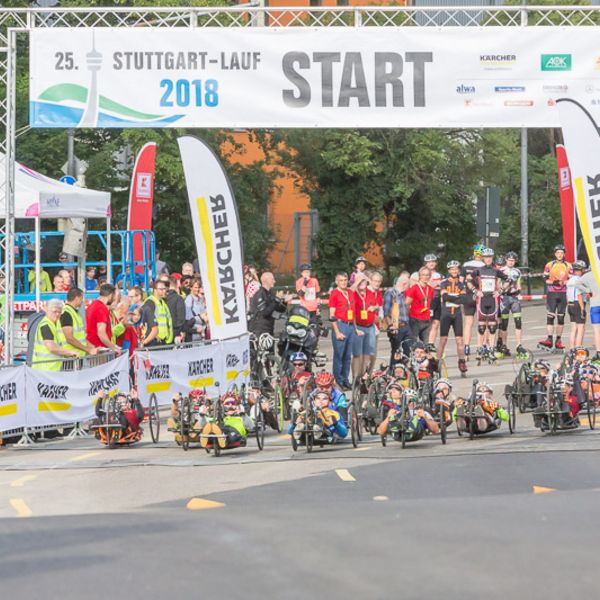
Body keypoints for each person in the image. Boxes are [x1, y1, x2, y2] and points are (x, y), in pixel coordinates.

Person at [467, 247, 503, 358]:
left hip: (493, 299)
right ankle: (479, 348)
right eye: (486, 257)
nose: (488, 259)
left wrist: (500, 291)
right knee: (481, 326)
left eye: (490, 257)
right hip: (482, 299)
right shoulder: (479, 270)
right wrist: (475, 291)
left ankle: (491, 349)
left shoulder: (496, 271)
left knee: (492, 326)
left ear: (492, 258)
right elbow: (468, 280)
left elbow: (508, 280)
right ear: (483, 258)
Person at [438, 260, 467, 375]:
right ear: (449, 270)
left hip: (457, 314)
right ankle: (437, 362)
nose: (454, 271)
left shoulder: (461, 284)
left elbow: (464, 299)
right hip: (446, 313)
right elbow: (444, 297)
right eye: (452, 269)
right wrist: (457, 297)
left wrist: (453, 297)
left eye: (456, 269)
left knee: (459, 340)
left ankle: (462, 361)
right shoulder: (444, 282)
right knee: (443, 340)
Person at [31, 299, 79, 370]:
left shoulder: (52, 324)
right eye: (54, 311)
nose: (57, 314)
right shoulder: (46, 325)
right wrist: (69, 352)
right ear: (47, 310)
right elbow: (52, 348)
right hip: (45, 370)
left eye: (59, 312)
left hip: (50, 369)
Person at [540, 244, 572, 351]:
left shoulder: (569, 265)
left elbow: (572, 280)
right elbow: (545, 279)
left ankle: (558, 340)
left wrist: (563, 282)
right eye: (558, 253)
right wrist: (554, 282)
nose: (559, 255)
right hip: (552, 293)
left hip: (563, 293)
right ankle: (549, 339)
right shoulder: (549, 265)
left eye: (561, 253)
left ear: (564, 254)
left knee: (561, 317)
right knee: (550, 316)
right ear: (555, 254)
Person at [329, 272, 356, 390]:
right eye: (341, 280)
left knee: (347, 356)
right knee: (339, 355)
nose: (344, 282)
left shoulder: (350, 292)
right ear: (337, 282)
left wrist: (355, 328)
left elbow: (353, 311)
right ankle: (338, 380)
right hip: (340, 324)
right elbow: (332, 315)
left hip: (350, 325)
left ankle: (345, 379)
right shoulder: (334, 294)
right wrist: (337, 332)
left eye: (345, 280)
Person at [351, 272, 381, 381]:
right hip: (359, 326)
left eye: (364, 281)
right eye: (360, 281)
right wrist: (358, 281)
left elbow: (377, 305)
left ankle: (363, 375)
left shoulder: (370, 292)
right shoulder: (353, 293)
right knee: (357, 354)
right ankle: (355, 377)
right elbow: (351, 289)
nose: (362, 283)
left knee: (367, 354)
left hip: (370, 326)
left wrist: (374, 307)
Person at [383, 272, 414, 365]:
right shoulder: (390, 292)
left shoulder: (401, 295)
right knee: (396, 351)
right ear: (404, 284)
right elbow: (386, 312)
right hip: (396, 326)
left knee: (408, 350)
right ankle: (393, 372)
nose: (409, 287)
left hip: (405, 326)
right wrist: (391, 326)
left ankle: (404, 372)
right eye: (408, 285)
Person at [498, 251, 525, 357]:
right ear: (506, 260)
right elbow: (497, 285)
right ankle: (504, 345)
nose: (511, 262)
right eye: (509, 260)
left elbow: (519, 285)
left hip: (514, 298)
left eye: (513, 260)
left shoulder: (517, 271)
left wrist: (518, 289)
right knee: (504, 324)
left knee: (518, 322)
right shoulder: (501, 270)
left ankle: (519, 345)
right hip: (504, 298)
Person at [248, 272, 291, 337]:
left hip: (269, 329)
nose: (274, 281)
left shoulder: (270, 294)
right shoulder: (260, 294)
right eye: (272, 279)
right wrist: (276, 299)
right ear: (266, 280)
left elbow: (280, 309)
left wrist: (285, 301)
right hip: (260, 330)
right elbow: (264, 312)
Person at [57, 288, 97, 357]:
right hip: (70, 356)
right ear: (77, 298)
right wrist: (87, 349)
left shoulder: (74, 313)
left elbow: (80, 337)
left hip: (76, 355)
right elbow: (69, 338)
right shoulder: (66, 313)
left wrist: (91, 347)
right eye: (82, 298)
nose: (82, 301)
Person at [462, 243, 485, 358]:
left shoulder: (466, 265)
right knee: (483, 322)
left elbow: (461, 280)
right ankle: (481, 347)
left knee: (468, 323)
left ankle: (466, 347)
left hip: (468, 295)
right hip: (481, 295)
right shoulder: (485, 265)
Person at [86, 283, 121, 354]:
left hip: (92, 347)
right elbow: (101, 332)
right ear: (110, 295)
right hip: (100, 349)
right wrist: (113, 347)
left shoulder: (92, 305)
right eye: (114, 296)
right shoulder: (102, 308)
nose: (114, 299)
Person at [576, 265, 600, 360]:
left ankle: (598, 352)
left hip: (594, 305)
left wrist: (587, 290)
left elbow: (578, 283)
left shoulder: (589, 275)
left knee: (596, 330)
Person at [405, 267, 434, 342]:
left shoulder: (430, 289)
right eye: (423, 275)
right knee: (413, 343)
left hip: (426, 319)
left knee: (425, 344)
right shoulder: (414, 288)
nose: (425, 277)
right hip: (415, 319)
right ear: (420, 276)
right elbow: (407, 303)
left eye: (427, 275)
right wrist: (407, 317)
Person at [141, 280, 173, 347]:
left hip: (164, 341)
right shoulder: (150, 302)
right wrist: (154, 335)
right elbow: (144, 323)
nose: (164, 291)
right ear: (155, 290)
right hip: (154, 341)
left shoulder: (163, 303)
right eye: (161, 289)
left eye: (165, 289)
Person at [567, 260, 587, 350]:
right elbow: (579, 295)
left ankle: (572, 349)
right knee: (581, 328)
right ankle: (578, 348)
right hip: (578, 304)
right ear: (581, 270)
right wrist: (582, 308)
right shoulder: (580, 280)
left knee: (573, 328)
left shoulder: (570, 280)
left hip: (570, 304)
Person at [165, 275, 186, 344]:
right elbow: (181, 319)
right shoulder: (178, 299)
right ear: (176, 285)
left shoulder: (162, 299)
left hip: (164, 334)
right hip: (175, 334)